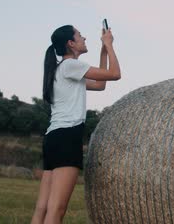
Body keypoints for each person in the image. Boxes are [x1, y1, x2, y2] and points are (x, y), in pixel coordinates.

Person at [31, 25, 121, 224]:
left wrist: (103, 51)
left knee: (43, 208)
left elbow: (100, 85)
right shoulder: (71, 66)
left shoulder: (61, 70)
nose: (84, 37)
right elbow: (115, 74)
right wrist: (109, 44)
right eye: (80, 35)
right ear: (71, 44)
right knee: (57, 210)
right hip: (67, 137)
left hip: (53, 138)